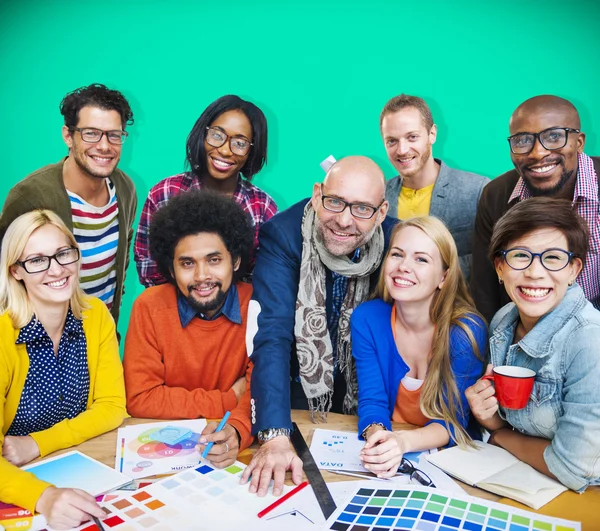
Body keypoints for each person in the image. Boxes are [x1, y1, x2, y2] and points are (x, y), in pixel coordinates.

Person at [241, 156, 396, 496]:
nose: (343, 220)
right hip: (299, 393)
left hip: (372, 395)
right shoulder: (282, 234)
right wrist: (275, 434)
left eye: (362, 209)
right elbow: (272, 335)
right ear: (316, 194)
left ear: (382, 212)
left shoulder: (397, 243)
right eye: (335, 202)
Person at [0, 210, 126, 529]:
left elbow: (112, 407)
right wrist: (43, 497)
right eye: (37, 260)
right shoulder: (3, 336)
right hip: (18, 486)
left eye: (62, 254)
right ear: (16, 271)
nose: (56, 269)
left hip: (83, 468)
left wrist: (38, 443)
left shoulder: (95, 315)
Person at [466, 198, 600, 491]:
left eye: (552, 257)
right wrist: (486, 414)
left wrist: (500, 435)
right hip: (522, 480)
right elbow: (504, 419)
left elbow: (573, 467)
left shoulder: (590, 340)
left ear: (574, 269)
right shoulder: (503, 321)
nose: (535, 272)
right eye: (520, 256)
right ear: (500, 268)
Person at [123, 190, 255, 468]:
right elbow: (140, 398)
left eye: (214, 260)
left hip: (232, 453)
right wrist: (231, 397)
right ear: (170, 270)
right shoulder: (149, 307)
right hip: (165, 451)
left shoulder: (257, 305)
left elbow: (260, 395)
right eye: (187, 263)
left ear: (236, 261)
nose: (201, 276)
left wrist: (239, 430)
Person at [351, 217, 486, 478]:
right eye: (397, 254)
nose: (403, 267)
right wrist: (379, 439)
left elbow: (453, 420)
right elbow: (372, 400)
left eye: (421, 259)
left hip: (454, 464)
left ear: (444, 277)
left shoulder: (466, 331)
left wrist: (402, 443)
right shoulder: (367, 318)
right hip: (397, 459)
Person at [0, 84, 137, 326]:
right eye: (91, 133)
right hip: (40, 341)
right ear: (68, 136)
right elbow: (5, 273)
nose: (105, 145)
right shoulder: (30, 196)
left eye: (114, 135)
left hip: (101, 334)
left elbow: (119, 264)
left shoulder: (125, 189)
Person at [471, 95, 600, 322]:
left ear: (579, 142)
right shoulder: (495, 196)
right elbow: (485, 292)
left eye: (554, 137)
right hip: (526, 337)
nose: (538, 153)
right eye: (522, 140)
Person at [134, 95, 277, 287]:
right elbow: (148, 268)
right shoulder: (164, 194)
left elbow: (268, 279)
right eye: (217, 135)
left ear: (252, 151)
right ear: (203, 134)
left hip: (237, 313)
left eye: (240, 143)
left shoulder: (263, 207)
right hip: (173, 311)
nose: (225, 151)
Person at [381, 94, 488, 282]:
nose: (402, 150)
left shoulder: (477, 190)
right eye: (392, 141)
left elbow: (492, 258)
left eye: (412, 137)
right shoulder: (380, 196)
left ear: (432, 134)